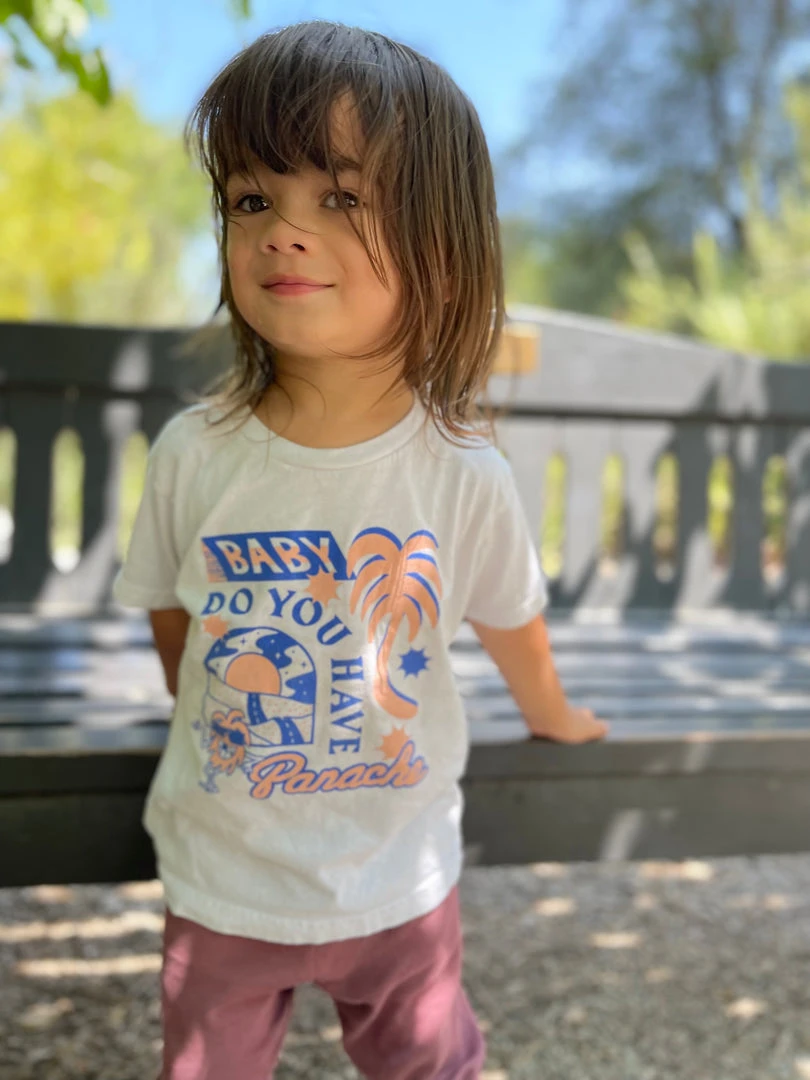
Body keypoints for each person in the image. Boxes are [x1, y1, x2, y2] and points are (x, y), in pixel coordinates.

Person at [113, 19, 609, 1080]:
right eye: (253, 200)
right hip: (224, 872)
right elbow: (170, 610)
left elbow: (511, 619)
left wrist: (554, 716)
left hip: (399, 874)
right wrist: (206, 712)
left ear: (444, 249)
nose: (283, 233)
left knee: (427, 1059)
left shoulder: (461, 472)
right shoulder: (196, 452)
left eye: (340, 198)